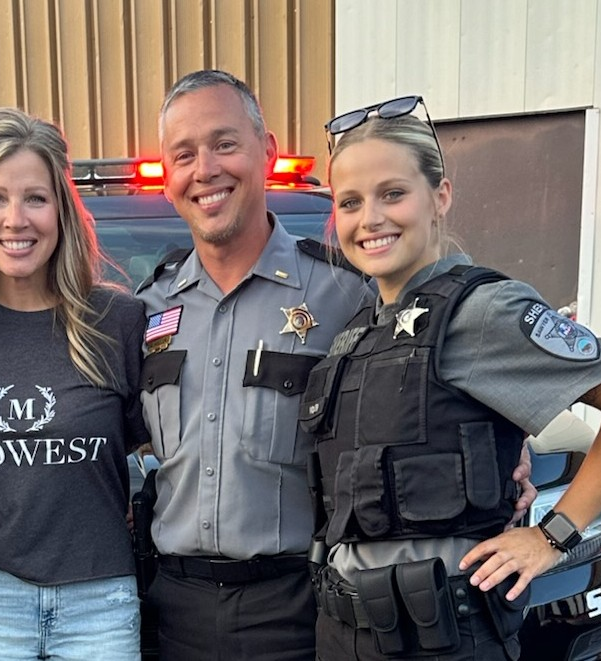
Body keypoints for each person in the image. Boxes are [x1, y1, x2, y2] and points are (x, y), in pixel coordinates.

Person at [303, 96, 601, 659]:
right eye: (349, 202)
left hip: (444, 635)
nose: (370, 218)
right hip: (349, 632)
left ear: (440, 197)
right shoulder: (358, 331)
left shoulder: (484, 311)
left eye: (393, 193)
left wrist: (554, 538)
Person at [133, 69, 377, 660]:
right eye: (183, 154)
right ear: (168, 177)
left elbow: (416, 391)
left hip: (299, 610)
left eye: (224, 144)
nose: (205, 170)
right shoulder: (144, 310)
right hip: (169, 611)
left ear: (264, 152)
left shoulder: (347, 294)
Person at [0, 107, 148, 661]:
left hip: (101, 595)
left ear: (61, 212)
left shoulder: (119, 321)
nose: (15, 219)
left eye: (35, 198)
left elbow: (160, 446)